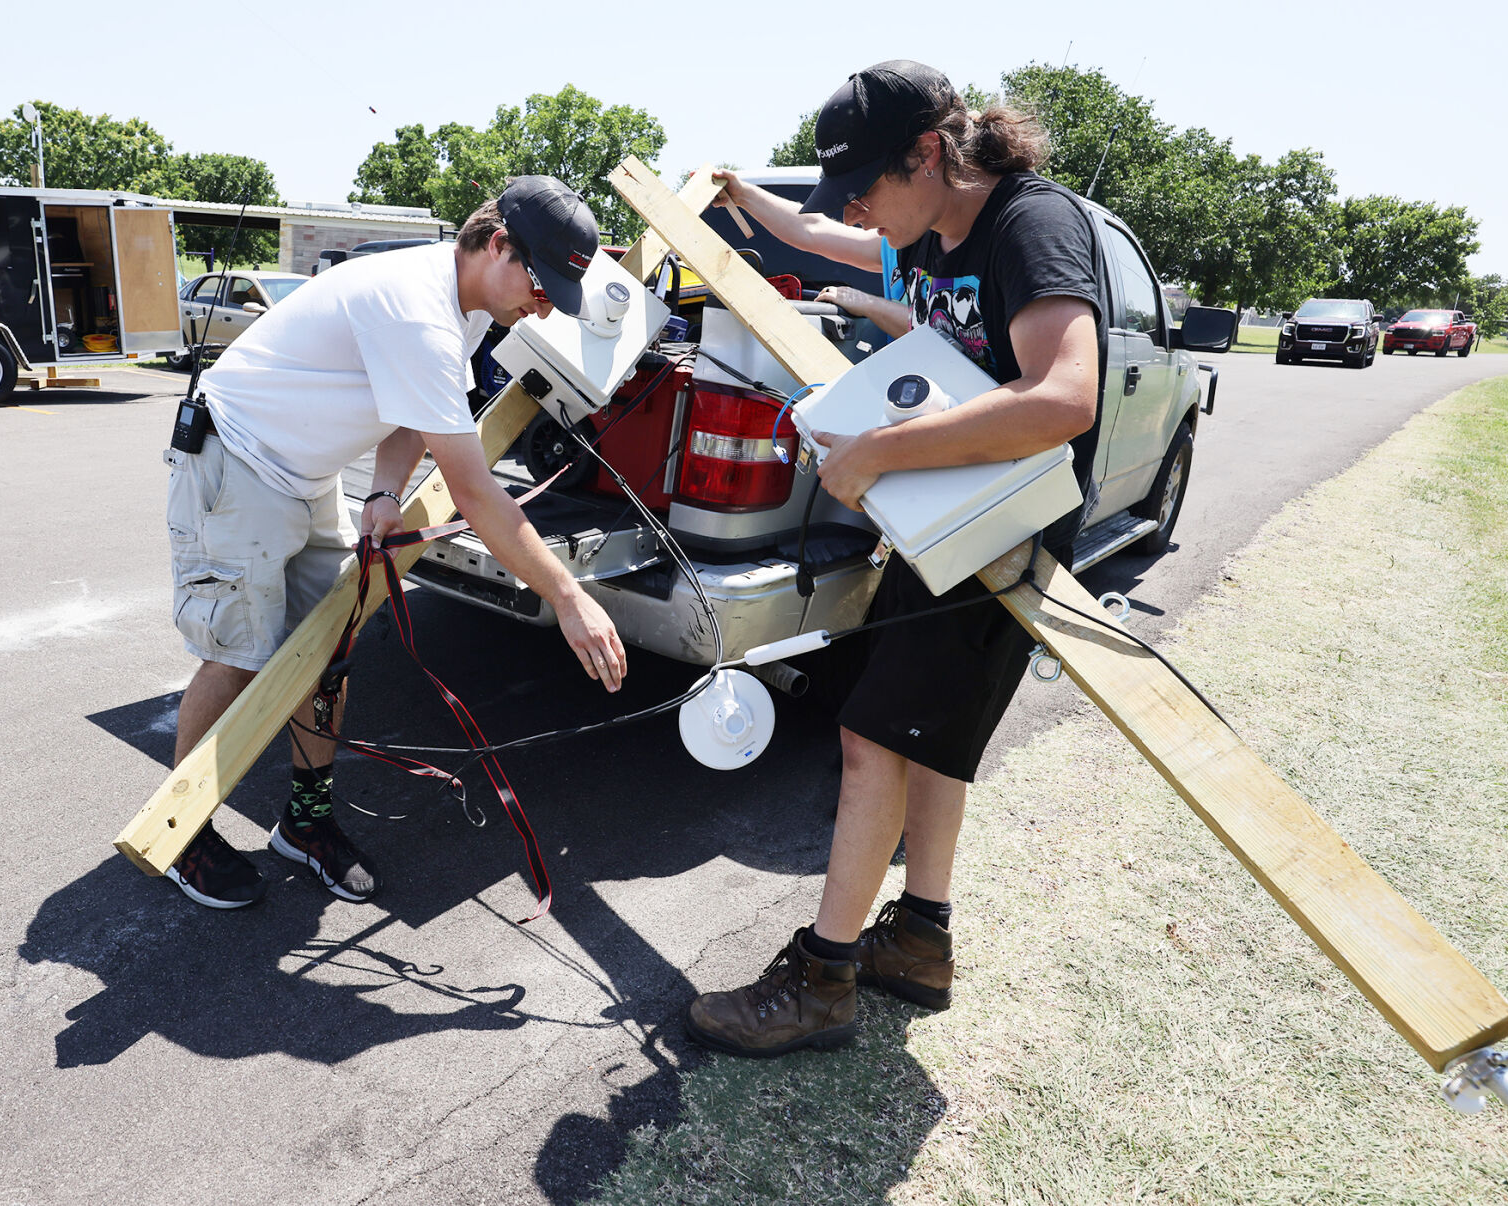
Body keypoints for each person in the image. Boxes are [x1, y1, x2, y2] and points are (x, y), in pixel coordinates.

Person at [686, 61, 1106, 1057]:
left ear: (931, 152)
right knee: (928, 744)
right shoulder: (922, 229)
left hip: (1001, 535)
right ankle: (918, 941)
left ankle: (822, 978)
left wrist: (880, 452)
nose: (862, 212)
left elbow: (1064, 397)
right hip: (950, 520)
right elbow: (826, 235)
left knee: (870, 740)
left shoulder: (1027, 225)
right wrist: (747, 199)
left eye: (869, 186)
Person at [162, 176, 628, 910]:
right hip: (238, 457)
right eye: (540, 286)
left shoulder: (465, 307)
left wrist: (383, 491)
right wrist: (566, 595)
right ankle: (179, 831)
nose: (542, 307)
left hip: (303, 473)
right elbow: (477, 493)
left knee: (326, 651)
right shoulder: (419, 310)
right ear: (497, 243)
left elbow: (413, 411)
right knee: (240, 654)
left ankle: (305, 824)